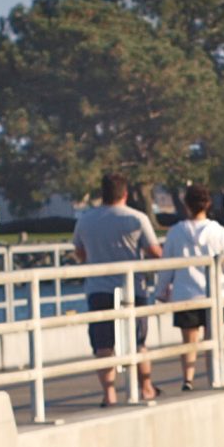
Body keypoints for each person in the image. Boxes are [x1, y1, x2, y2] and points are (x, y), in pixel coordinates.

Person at [72, 172, 163, 406]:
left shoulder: (86, 219)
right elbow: (154, 251)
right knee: (138, 342)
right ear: (125, 193)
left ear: (102, 193)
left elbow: (80, 253)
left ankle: (109, 394)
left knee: (103, 346)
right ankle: (146, 388)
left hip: (98, 288)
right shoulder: (136, 218)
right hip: (132, 289)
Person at [159, 184, 224, 390]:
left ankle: (188, 379)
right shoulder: (219, 231)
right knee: (213, 338)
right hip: (214, 294)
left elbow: (166, 265)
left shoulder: (176, 232)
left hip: (186, 293)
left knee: (189, 340)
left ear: (186, 205)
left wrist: (161, 290)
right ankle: (215, 377)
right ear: (208, 204)